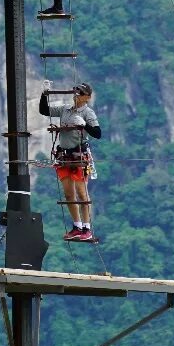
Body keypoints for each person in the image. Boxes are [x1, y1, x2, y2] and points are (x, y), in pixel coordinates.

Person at [39, 82, 100, 241]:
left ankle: (87, 228)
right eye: (76, 92)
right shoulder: (65, 109)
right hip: (64, 156)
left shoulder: (88, 113)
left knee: (81, 192)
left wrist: (84, 124)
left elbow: (98, 133)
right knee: (68, 193)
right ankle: (77, 226)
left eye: (80, 93)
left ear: (87, 97)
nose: (76, 95)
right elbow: (44, 110)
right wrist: (44, 95)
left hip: (78, 155)